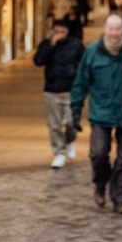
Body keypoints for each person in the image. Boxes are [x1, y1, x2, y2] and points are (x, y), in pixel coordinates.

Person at [71, 13, 122, 214]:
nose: (115, 33)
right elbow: (81, 82)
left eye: (118, 29)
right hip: (100, 112)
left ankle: (120, 198)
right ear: (105, 30)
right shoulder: (93, 52)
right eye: (111, 29)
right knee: (99, 154)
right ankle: (100, 183)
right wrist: (75, 109)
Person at [34, 20, 85, 169]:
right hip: (52, 90)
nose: (60, 35)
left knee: (71, 123)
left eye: (63, 32)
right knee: (54, 124)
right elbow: (38, 61)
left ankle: (69, 141)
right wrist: (51, 45)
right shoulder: (46, 44)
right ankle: (59, 153)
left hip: (71, 90)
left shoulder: (76, 45)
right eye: (57, 31)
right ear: (52, 31)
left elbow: (85, 63)